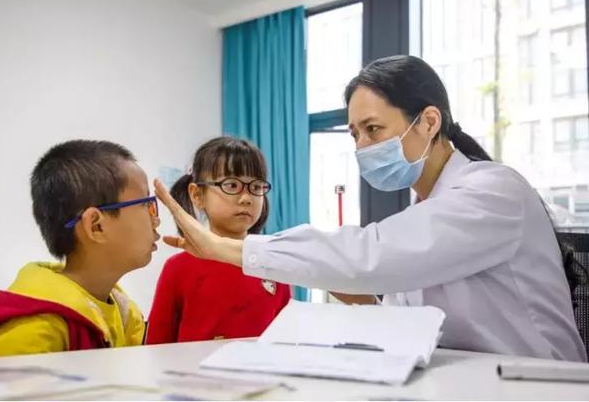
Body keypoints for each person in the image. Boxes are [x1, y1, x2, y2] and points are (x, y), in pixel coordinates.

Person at [153, 55, 586, 362]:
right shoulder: (424, 211)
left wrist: (225, 248)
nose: (362, 146)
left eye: (373, 129)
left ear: (429, 122)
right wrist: (360, 299)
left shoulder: (493, 190)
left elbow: (370, 254)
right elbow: (411, 323)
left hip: (537, 383)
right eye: (354, 134)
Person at [0, 140, 160, 358]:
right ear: (96, 226)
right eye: (147, 204)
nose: (156, 220)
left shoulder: (122, 310)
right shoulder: (31, 332)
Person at [146, 137, 290, 344]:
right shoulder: (178, 269)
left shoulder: (274, 265)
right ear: (197, 195)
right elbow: (156, 347)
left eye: (256, 187)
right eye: (232, 185)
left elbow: (285, 343)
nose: (246, 198)